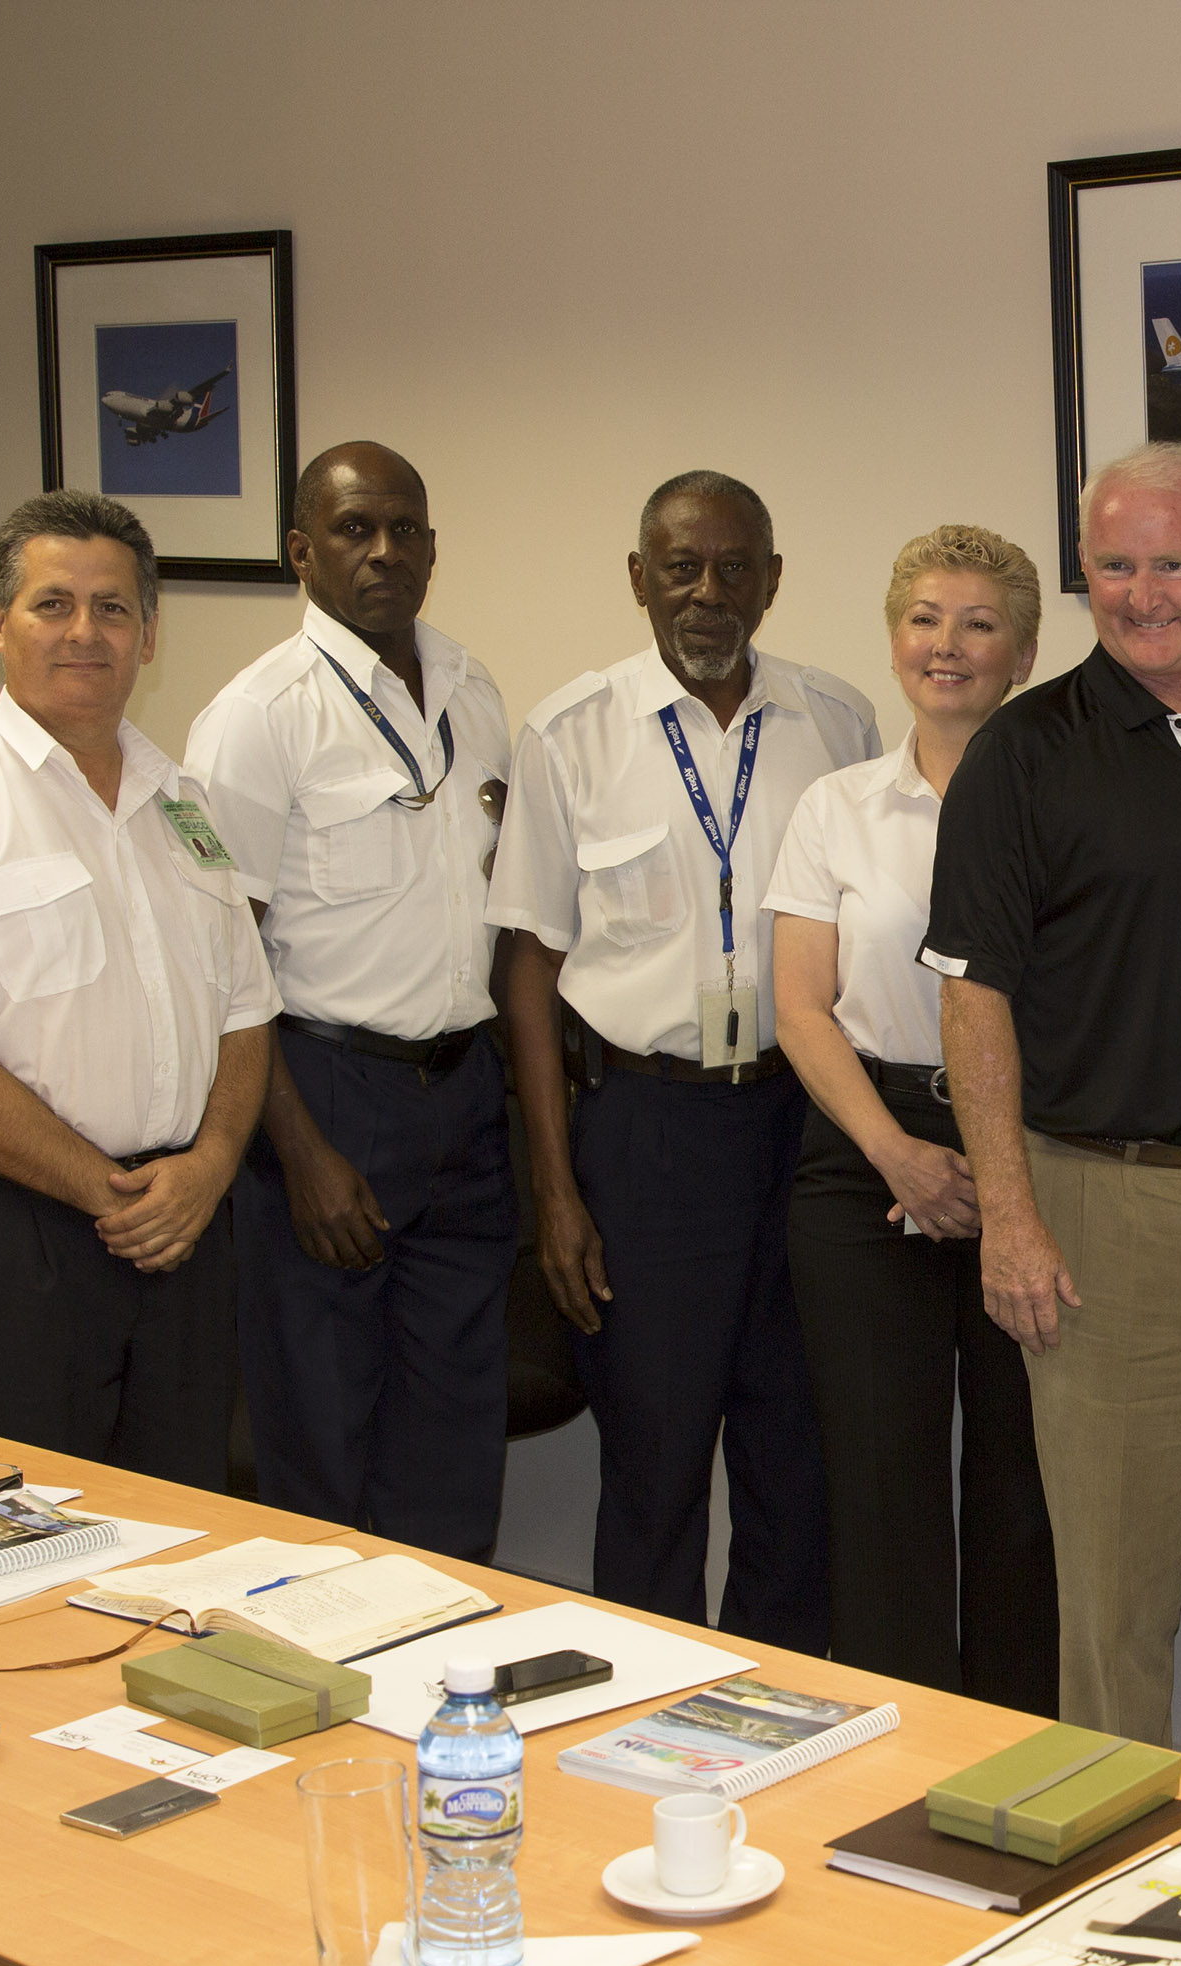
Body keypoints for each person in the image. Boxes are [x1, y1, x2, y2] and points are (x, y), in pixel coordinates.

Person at [922, 442, 1181, 1781]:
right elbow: (973, 1003)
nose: (1144, 592)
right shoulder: (1024, 755)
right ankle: (1109, 1913)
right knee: (1116, 1605)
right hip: (1100, 1207)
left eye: (1172, 561)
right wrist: (1010, 1221)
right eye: (1115, 564)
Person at [487, 472, 878, 1640]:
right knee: (654, 1466)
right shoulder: (569, 733)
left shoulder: (839, 721)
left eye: (732, 568)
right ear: (638, 580)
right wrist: (553, 1192)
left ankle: (784, 1718)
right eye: (679, 568)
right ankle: (649, 1729)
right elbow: (527, 969)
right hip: (644, 1138)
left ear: (770, 579)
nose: (706, 594)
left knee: (794, 1460)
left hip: (801, 1128)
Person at [0, 490, 275, 1484]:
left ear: (149, 635)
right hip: (15, 1243)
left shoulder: (184, 803)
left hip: (181, 1233)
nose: (85, 631)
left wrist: (210, 1166)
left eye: (114, 608)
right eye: (53, 604)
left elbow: (245, 1011)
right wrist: (118, 1197)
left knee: (180, 1543)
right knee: (22, 1550)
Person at [182, 442, 516, 1557]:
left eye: (404, 529)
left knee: (455, 1442)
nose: (384, 551)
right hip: (323, 1099)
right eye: (354, 530)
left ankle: (447, 1691)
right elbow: (225, 965)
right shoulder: (257, 716)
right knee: (321, 1444)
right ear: (300, 551)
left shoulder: (471, 687)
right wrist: (299, 1151)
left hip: (462, 1102)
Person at [765, 524, 1057, 1713]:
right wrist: (896, 1152)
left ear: (1024, 654)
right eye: (927, 619)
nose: (949, 646)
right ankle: (894, 1760)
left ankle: (1013, 1765)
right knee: (879, 1488)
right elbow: (797, 1006)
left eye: (980, 623)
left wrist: (992, 1167)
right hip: (865, 1154)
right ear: (894, 640)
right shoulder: (836, 808)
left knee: (1021, 1492)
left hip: (1026, 1162)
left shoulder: (1061, 802)